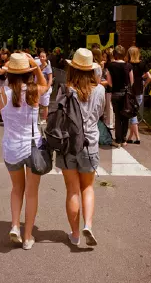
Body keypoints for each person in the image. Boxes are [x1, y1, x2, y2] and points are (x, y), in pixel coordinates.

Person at [0, 53, 48, 250]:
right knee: (32, 193)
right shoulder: (34, 91)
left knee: (17, 189)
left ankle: (15, 226)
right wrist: (35, 66)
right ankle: (27, 237)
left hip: (11, 147)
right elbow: (46, 85)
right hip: (33, 147)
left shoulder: (0, 92)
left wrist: (12, 64)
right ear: (28, 72)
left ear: (9, 72)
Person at [56, 48, 105, 247]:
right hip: (90, 143)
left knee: (72, 190)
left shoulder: (65, 89)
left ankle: (75, 234)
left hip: (68, 144)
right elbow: (100, 113)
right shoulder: (100, 90)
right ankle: (89, 225)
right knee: (88, 187)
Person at [107, 45, 134, 147]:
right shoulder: (128, 66)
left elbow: (109, 82)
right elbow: (132, 81)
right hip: (126, 94)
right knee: (125, 116)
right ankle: (124, 139)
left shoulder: (110, 65)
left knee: (117, 117)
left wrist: (115, 87)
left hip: (115, 94)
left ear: (114, 54)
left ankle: (118, 139)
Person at [126, 46, 151, 144]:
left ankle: (137, 137)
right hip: (139, 90)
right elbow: (149, 77)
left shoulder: (127, 64)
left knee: (132, 115)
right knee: (134, 113)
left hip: (130, 91)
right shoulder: (142, 63)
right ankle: (131, 136)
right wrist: (144, 84)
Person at [37, 51, 53, 124]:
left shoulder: (48, 67)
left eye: (43, 57)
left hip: (45, 88)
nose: (42, 58)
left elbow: (50, 79)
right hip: (39, 88)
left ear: (46, 58)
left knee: (45, 105)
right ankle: (38, 119)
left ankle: (44, 119)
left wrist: (47, 88)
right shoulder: (39, 66)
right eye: (40, 56)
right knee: (38, 103)